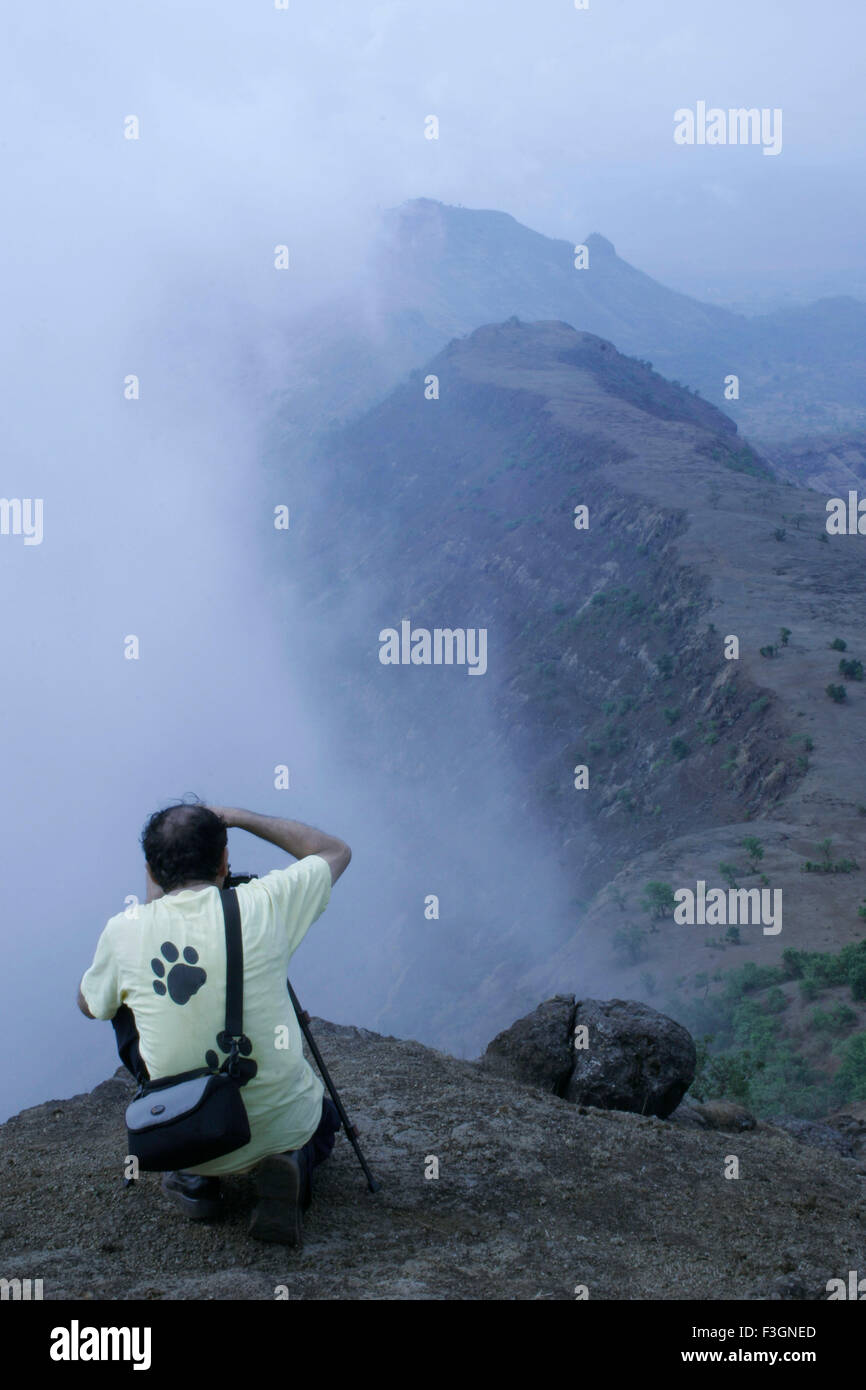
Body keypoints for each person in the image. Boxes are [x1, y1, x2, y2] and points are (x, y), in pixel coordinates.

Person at [77, 801, 351, 1246]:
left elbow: (90, 1005)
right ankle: (289, 1164)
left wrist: (148, 918)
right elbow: (335, 851)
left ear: (151, 869)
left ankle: (195, 1176)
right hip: (287, 1126)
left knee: (121, 1002)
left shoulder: (124, 931)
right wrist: (242, 818)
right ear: (225, 860)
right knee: (322, 1123)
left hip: (185, 1136)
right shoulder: (265, 902)